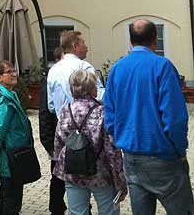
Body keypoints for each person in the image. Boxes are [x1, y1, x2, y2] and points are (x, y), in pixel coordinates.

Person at [104, 19, 193, 214]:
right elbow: (175, 118)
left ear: (131, 40)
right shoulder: (162, 67)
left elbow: (109, 117)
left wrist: (123, 138)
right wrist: (179, 150)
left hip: (132, 157)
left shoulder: (117, 69)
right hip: (164, 157)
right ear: (155, 39)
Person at [54, 70, 127, 215]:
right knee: (108, 211)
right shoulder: (102, 112)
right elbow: (112, 151)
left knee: (76, 212)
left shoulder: (65, 110)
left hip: (73, 170)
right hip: (100, 173)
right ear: (92, 89)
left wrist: (59, 162)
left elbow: (59, 142)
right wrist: (120, 180)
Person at [0, 60, 34, 215]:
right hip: (10, 159)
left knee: (8, 199)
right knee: (11, 201)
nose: (14, 74)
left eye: (14, 70)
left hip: (15, 156)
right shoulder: (4, 101)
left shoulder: (11, 96)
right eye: (9, 71)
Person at [47, 31, 104, 117]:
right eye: (83, 43)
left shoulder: (52, 70)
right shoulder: (84, 67)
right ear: (75, 46)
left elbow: (51, 106)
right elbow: (99, 96)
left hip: (63, 124)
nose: (86, 46)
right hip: (88, 124)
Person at [39, 46, 67, 215]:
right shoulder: (51, 78)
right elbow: (44, 113)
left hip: (67, 139)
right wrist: (48, 143)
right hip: (56, 139)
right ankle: (56, 208)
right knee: (57, 178)